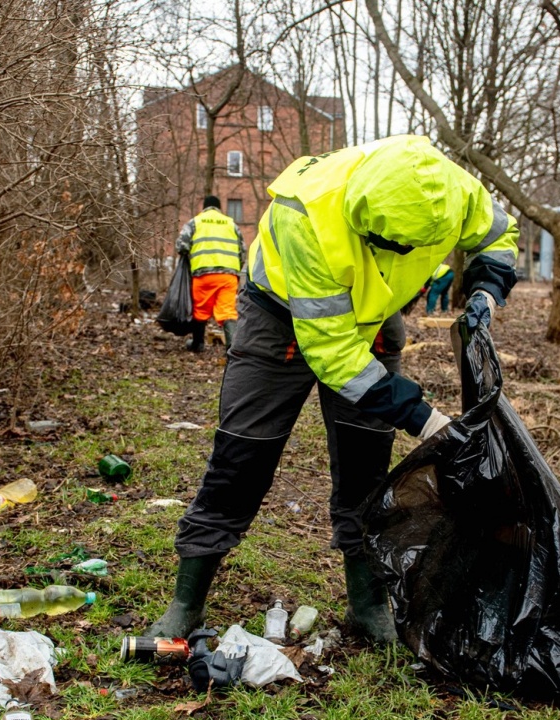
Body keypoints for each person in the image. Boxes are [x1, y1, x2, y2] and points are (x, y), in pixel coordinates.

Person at [149, 134, 518, 643]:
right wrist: (424, 418)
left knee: (367, 469)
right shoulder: (307, 216)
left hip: (375, 314)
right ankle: (185, 603)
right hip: (279, 319)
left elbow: (499, 235)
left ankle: (367, 607)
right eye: (391, 245)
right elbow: (334, 354)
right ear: (364, 219)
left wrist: (486, 289)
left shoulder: (449, 188)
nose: (403, 254)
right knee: (242, 459)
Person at [175, 195, 245, 353]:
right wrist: (235, 269)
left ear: (204, 207)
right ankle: (232, 350)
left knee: (200, 310)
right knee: (227, 311)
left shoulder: (195, 222)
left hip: (203, 275)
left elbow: (181, 246)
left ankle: (198, 344)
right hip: (228, 276)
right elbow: (243, 251)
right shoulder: (231, 224)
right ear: (219, 208)